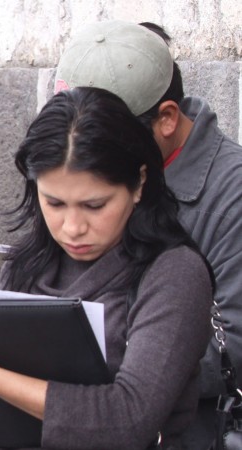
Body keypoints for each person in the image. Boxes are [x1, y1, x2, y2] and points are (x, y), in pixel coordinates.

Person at [0, 87, 213, 449]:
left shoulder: (175, 273)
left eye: (94, 205)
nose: (73, 228)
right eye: (55, 203)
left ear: (139, 183)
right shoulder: (25, 265)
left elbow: (129, 418)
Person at [54, 21, 242, 448]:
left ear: (167, 119)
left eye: (107, 144)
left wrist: (115, 372)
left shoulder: (231, 195)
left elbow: (232, 345)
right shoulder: (82, 175)